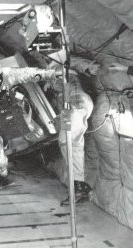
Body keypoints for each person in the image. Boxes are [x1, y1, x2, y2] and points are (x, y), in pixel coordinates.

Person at [45, 51, 100, 206]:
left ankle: (78, 186)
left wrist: (89, 67)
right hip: (68, 109)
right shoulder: (51, 67)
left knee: (67, 141)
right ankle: (78, 185)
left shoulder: (59, 58)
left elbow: (72, 61)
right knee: (73, 145)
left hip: (76, 104)